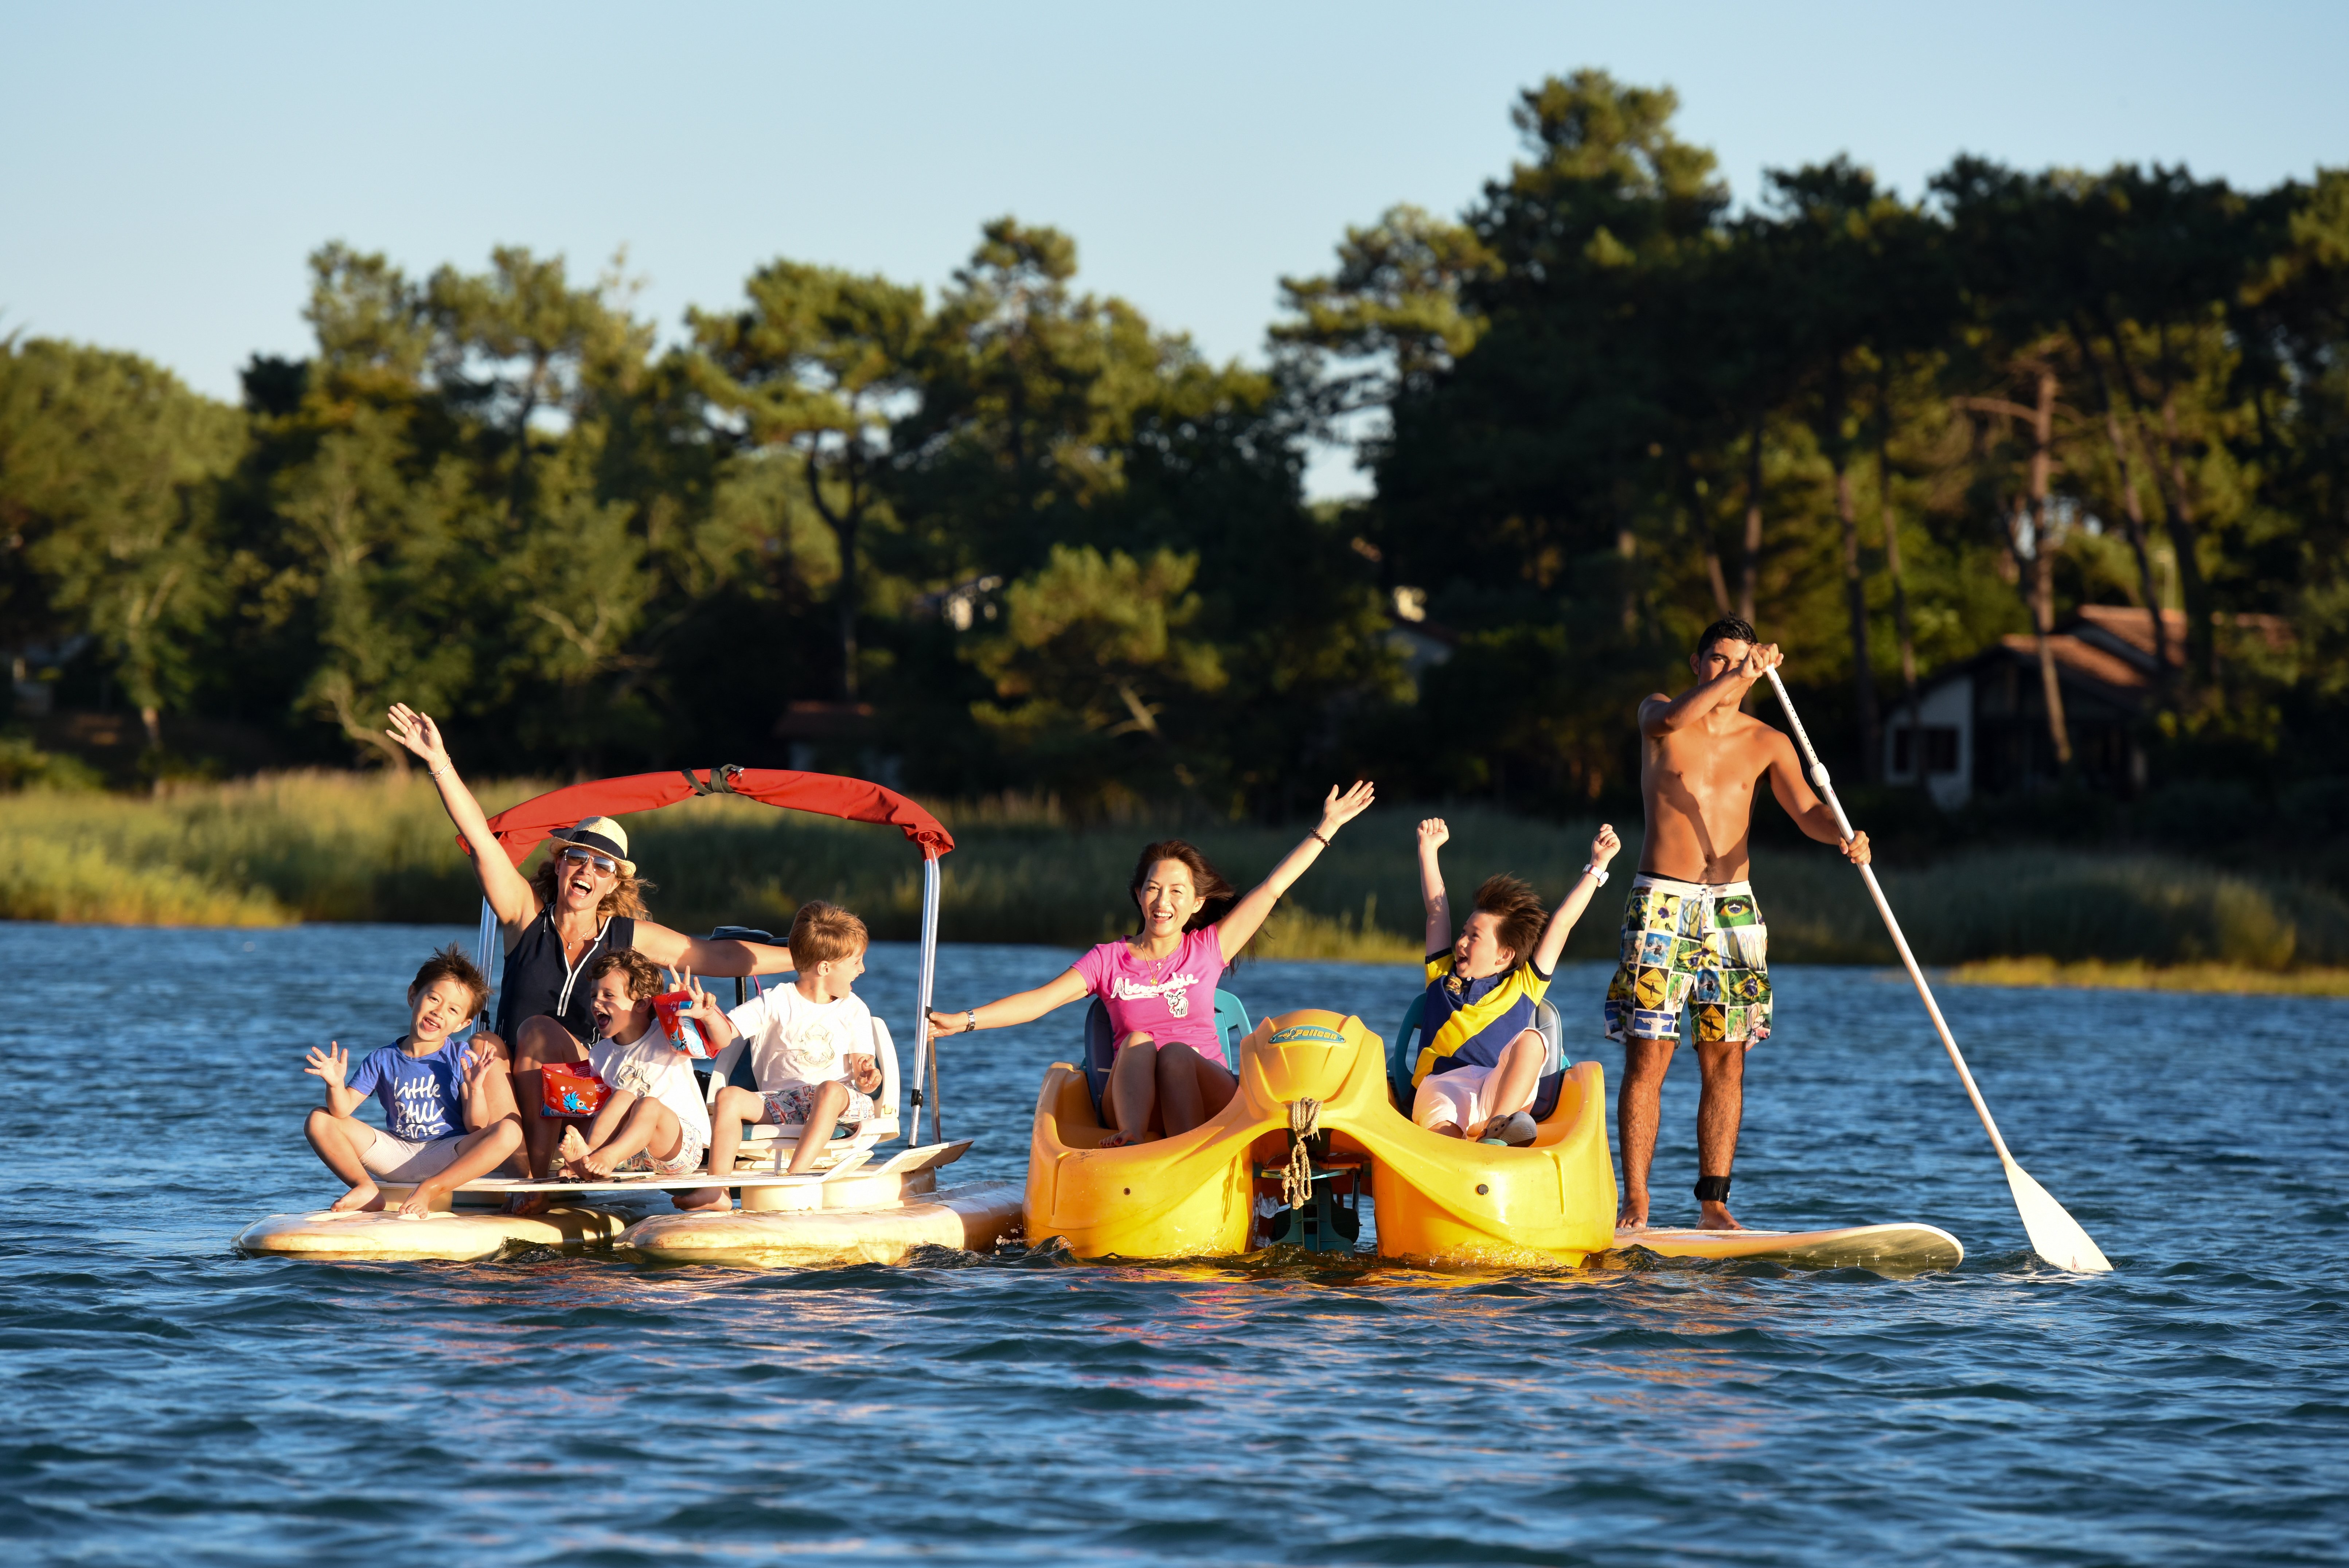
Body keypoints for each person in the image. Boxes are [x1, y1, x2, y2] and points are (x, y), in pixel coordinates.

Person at [385, 703, 792, 1195]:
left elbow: (718, 957)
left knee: (537, 1030)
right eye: (577, 858)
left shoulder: (626, 934)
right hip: (513, 1094)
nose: (586, 871)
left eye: (601, 867)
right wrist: (439, 763)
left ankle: (542, 1188)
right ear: (559, 866)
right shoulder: (523, 914)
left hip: (594, 1094)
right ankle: (517, 1173)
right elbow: (480, 840)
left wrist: (804, 959)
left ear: (611, 883)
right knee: (482, 1046)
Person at [927, 782, 1378, 1144]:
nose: (1163, 902)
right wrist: (962, 1022)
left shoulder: (1208, 948)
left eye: (1177, 892)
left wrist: (1327, 828)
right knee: (1140, 1040)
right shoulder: (1108, 960)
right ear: (1140, 895)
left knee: (1178, 1054)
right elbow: (1038, 1002)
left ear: (1197, 902)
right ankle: (1134, 1140)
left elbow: (1273, 887)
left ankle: (1187, 1155)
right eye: (1153, 889)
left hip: (1209, 1095)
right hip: (1132, 1102)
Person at [1610, 616, 1871, 1232]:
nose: (1730, 672)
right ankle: (1637, 1201)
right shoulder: (1661, 716)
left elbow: (1807, 809)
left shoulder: (1768, 740)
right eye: (1719, 660)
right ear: (1696, 662)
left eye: (1740, 662)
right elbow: (1669, 720)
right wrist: (1740, 673)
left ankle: (1714, 1201)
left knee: (1726, 1058)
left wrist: (1844, 835)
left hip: (1733, 907)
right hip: (1663, 901)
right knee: (1650, 1055)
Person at [1409, 818, 1622, 1143]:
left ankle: (1499, 1129)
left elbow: (1561, 924)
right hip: (1443, 1083)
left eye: (1474, 937)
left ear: (1504, 956)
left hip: (1499, 1092)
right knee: (1445, 1131)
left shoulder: (1523, 985)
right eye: (1464, 933)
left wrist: (1597, 866)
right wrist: (1428, 850)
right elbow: (1436, 912)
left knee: (1533, 1040)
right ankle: (1452, 1148)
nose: (1462, 942)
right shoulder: (1442, 973)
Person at [302, 945, 524, 1217]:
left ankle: (430, 1190)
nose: (439, 1012)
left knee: (510, 1131)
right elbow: (341, 1111)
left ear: (462, 1025)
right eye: (433, 999)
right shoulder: (381, 1058)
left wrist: (476, 1089)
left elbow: (476, 1127)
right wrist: (335, 1084)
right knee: (319, 1118)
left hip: (448, 1154)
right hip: (396, 1153)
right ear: (412, 995)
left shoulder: (461, 1056)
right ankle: (365, 1189)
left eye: (453, 1010)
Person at [696, 901, 887, 1187]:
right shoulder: (775, 1001)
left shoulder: (853, 1008)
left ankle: (794, 1178)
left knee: (829, 1090)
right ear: (824, 967)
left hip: (840, 1104)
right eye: (855, 961)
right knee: (729, 1097)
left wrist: (869, 1076)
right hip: (783, 1103)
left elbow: (863, 1075)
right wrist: (709, 1015)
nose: (861, 969)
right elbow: (723, 1037)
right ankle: (716, 1189)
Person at [552, 950, 721, 1209]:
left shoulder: (667, 1035)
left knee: (648, 1104)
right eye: (594, 995)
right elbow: (605, 1113)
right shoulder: (600, 1055)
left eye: (608, 996)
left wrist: (688, 1012)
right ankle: (589, 1157)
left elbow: (719, 1042)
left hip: (678, 1149)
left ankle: (604, 1157)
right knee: (622, 1096)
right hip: (630, 1153)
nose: (597, 1003)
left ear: (642, 1004)